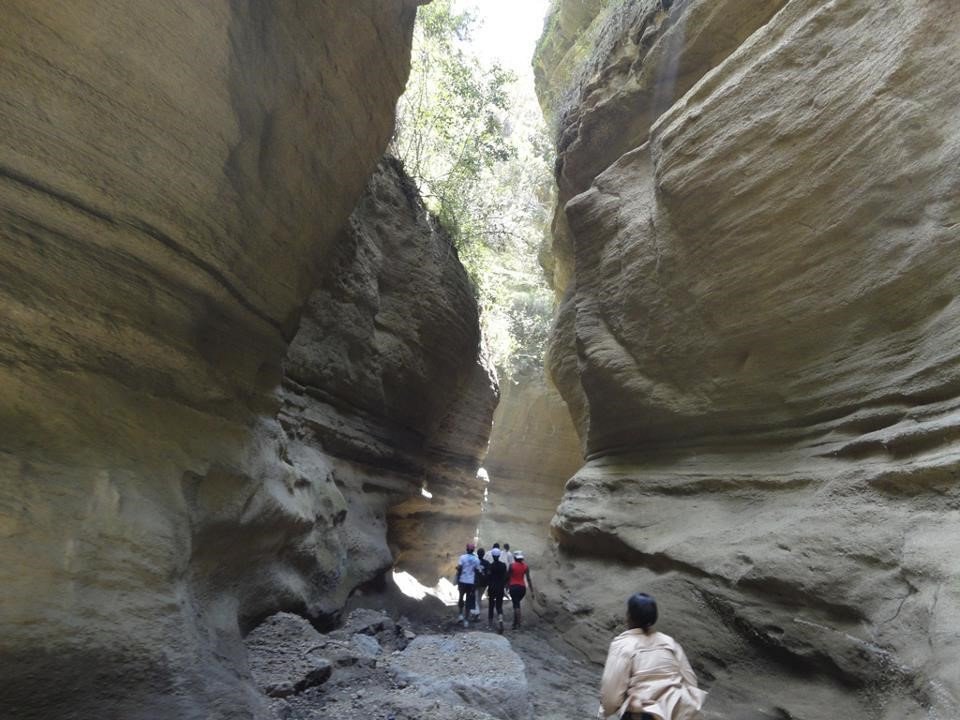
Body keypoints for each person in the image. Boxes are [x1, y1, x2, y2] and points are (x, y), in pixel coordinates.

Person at [598, 593, 706, 720]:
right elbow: (690, 681)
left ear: (629, 616)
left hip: (645, 714)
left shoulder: (623, 645)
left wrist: (607, 711)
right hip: (679, 711)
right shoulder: (669, 643)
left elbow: (611, 694)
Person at [506, 550, 534, 628]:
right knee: (517, 603)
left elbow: (508, 577)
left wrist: (506, 587)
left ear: (515, 558)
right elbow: (528, 579)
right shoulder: (525, 567)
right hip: (522, 588)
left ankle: (518, 622)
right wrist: (532, 590)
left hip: (513, 587)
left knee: (516, 605)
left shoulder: (511, 566)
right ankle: (515, 623)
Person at [455, 543, 480, 627]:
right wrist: (475, 584)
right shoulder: (476, 560)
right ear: (473, 550)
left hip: (462, 581)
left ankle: (460, 615)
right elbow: (477, 572)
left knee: (461, 597)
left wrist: (457, 580)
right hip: (471, 582)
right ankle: (466, 620)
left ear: (466, 549)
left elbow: (459, 569)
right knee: (468, 601)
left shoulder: (462, 557)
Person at [486, 547, 508, 631]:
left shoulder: (491, 566)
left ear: (492, 556)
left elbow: (488, 577)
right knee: (499, 605)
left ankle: (490, 624)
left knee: (491, 605)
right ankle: (500, 620)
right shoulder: (503, 566)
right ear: (499, 556)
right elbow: (505, 577)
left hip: (492, 587)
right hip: (500, 588)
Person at [472, 547, 490, 619]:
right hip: (484, 583)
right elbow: (489, 573)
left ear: (477, 554)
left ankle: (477, 613)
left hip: (475, 582)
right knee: (479, 598)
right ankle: (478, 614)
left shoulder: (474, 562)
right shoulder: (487, 563)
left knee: (476, 598)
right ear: (484, 554)